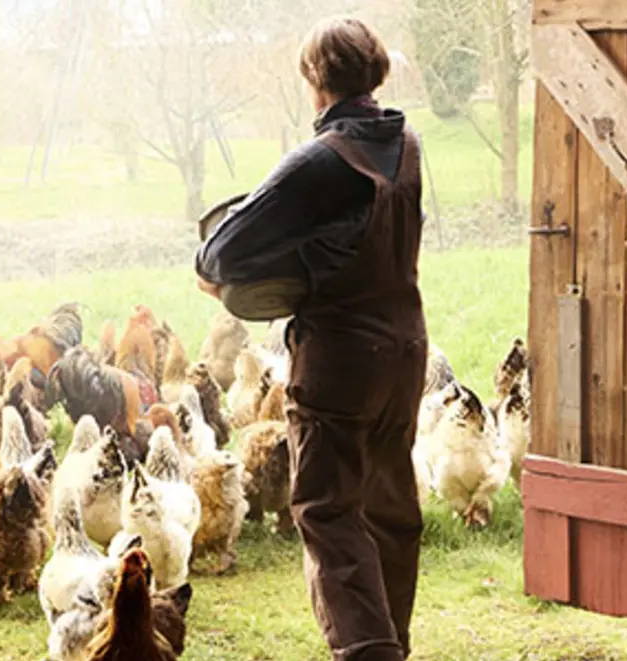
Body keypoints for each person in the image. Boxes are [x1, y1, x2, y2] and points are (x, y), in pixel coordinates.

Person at [194, 15, 428, 661]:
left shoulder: (319, 161)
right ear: (374, 74)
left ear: (314, 78)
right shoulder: (405, 141)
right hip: (406, 348)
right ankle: (390, 645)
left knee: (328, 509)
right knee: (390, 508)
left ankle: (367, 653)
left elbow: (221, 254)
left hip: (342, 357)